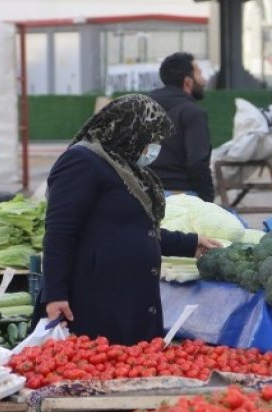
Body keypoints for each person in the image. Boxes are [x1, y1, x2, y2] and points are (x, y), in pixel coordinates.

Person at [41, 94, 221, 346]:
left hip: (129, 299)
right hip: (96, 301)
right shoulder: (82, 162)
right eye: (151, 139)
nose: (153, 147)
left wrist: (190, 243)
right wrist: (55, 294)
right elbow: (59, 233)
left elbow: (134, 229)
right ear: (128, 131)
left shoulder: (127, 168)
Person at [147, 52, 215, 202]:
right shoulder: (192, 112)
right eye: (199, 73)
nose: (203, 80)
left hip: (144, 195)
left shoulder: (141, 107)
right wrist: (208, 201)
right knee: (238, 223)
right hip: (181, 196)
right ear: (188, 81)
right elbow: (197, 162)